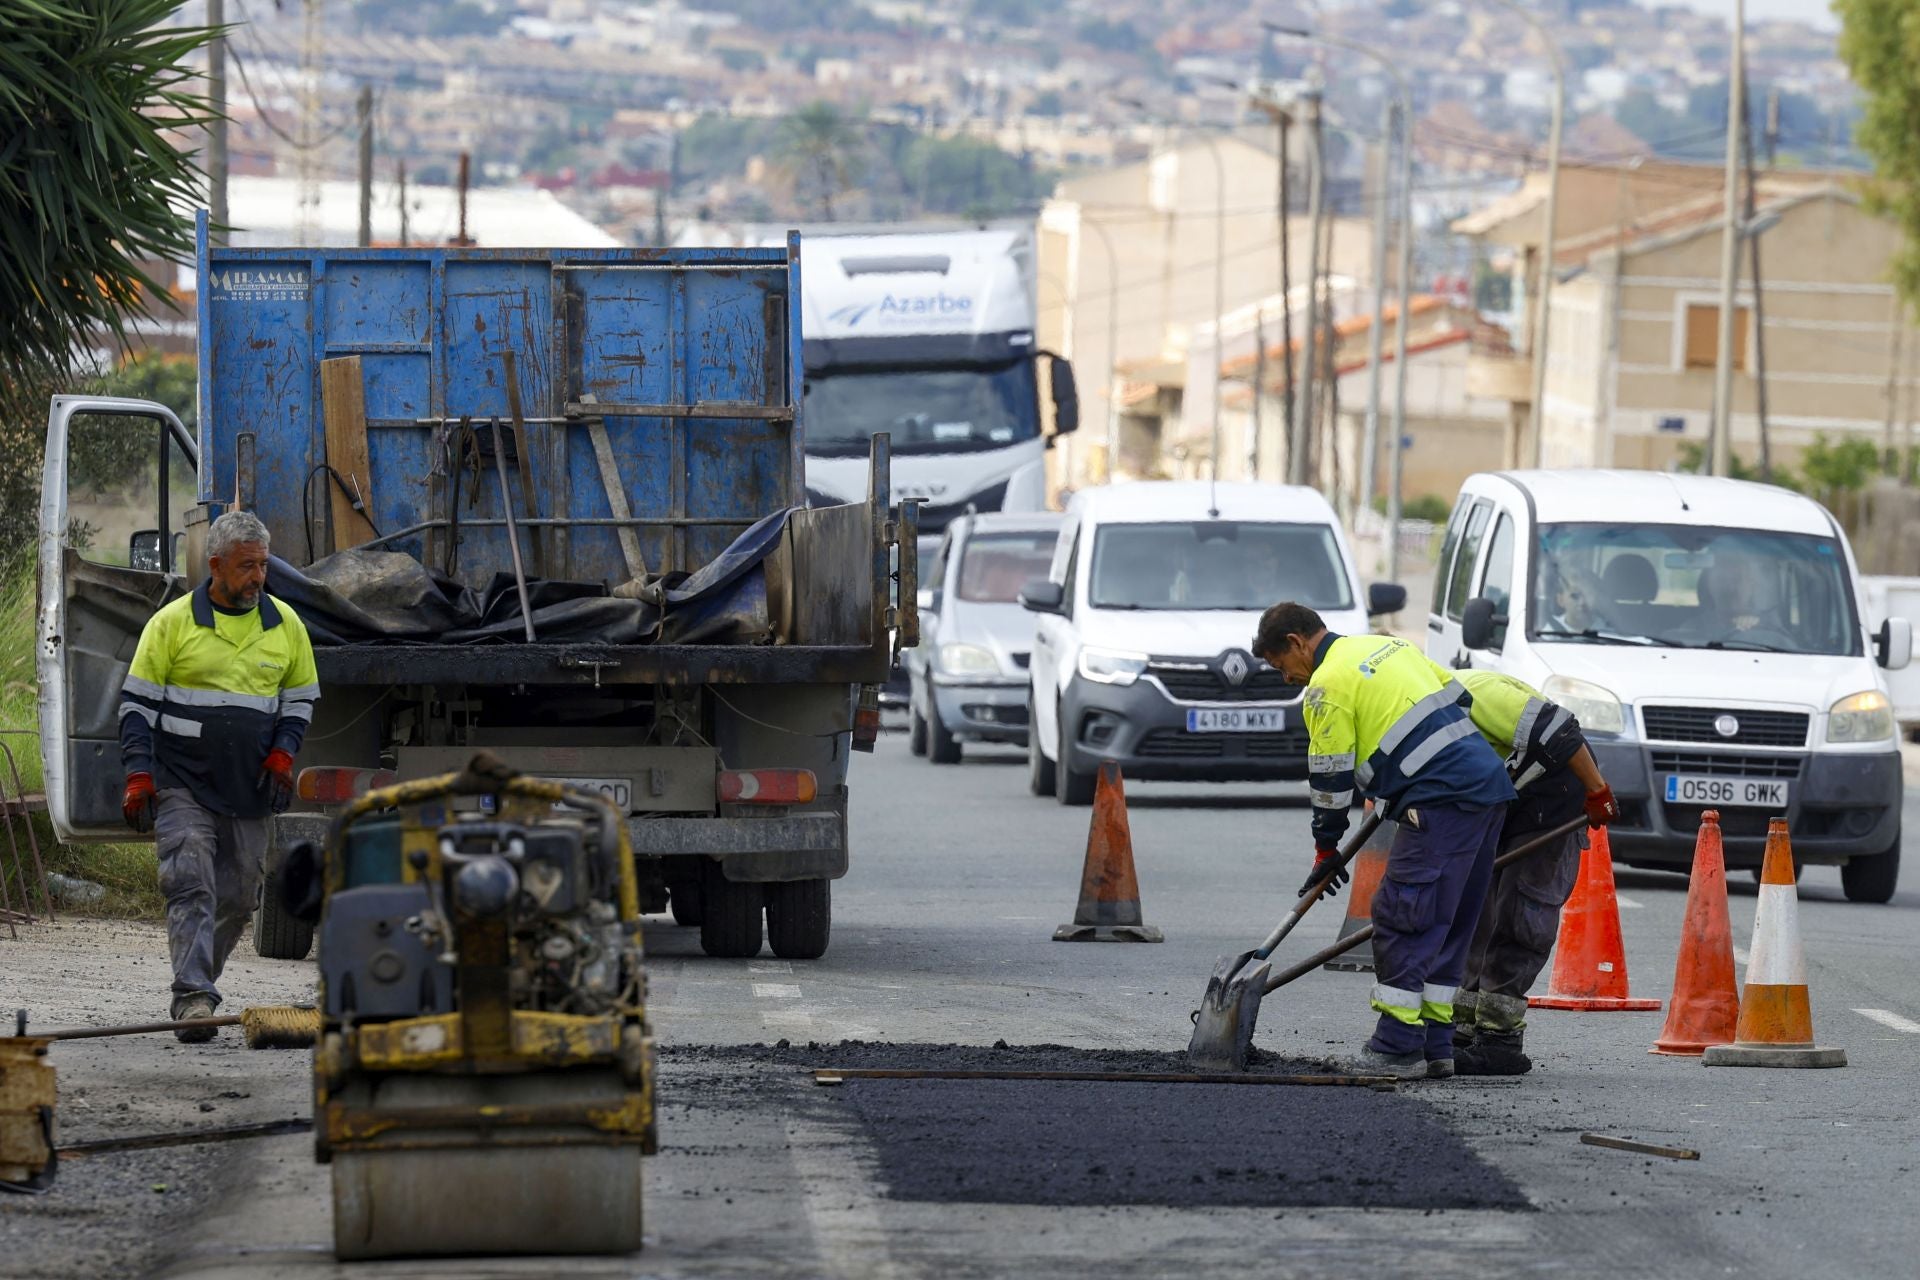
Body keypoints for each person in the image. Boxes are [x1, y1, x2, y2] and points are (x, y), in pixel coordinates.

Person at [1254, 603, 1515, 1080]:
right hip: (1487, 788)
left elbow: (1330, 779)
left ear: (1296, 642)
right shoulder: (1388, 646)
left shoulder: (1326, 687)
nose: (1286, 678)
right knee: (1450, 921)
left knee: (1406, 916)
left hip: (1441, 799)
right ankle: (1437, 1047)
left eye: (1280, 666)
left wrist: (1325, 850)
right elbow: (1460, 700)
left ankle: (1396, 1047)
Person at [118, 511, 319, 1042]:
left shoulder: (285, 626)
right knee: (190, 883)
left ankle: (201, 984)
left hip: (249, 789)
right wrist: (139, 775)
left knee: (237, 898)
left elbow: (298, 702)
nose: (257, 577)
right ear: (216, 566)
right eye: (246, 566)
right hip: (181, 781)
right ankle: (193, 998)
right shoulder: (172, 624)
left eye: (263, 566)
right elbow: (135, 708)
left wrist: (283, 754)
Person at [1448, 669, 1620, 1075]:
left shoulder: (1475, 695)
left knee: (1521, 911)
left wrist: (1597, 791)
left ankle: (1499, 1039)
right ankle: (1460, 1026)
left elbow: (1561, 731)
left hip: (1554, 792)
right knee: (1477, 907)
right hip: (1504, 796)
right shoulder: (1416, 713)